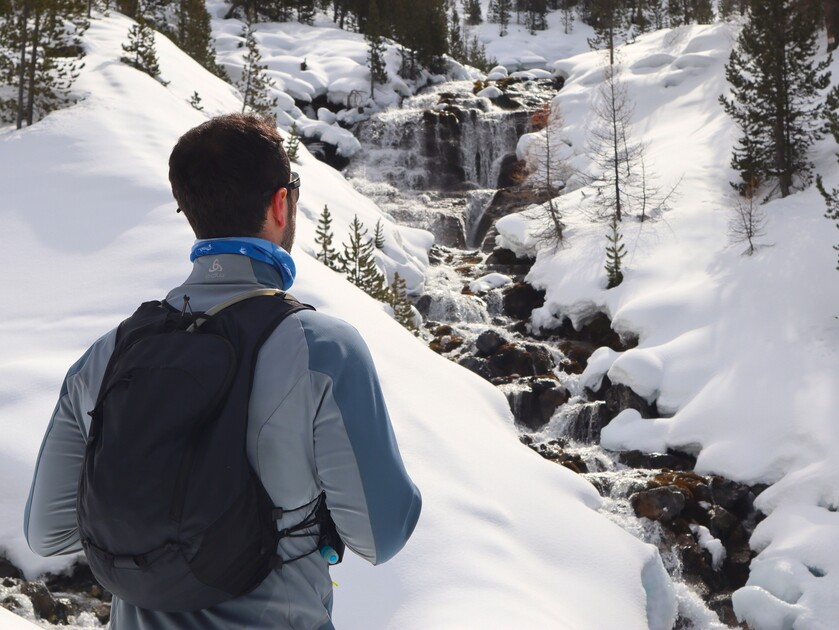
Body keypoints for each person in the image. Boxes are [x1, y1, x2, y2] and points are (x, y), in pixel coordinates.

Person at [23, 113, 422, 629]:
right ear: (281, 203)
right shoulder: (322, 348)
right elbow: (381, 535)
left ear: (191, 211)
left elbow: (47, 532)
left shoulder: (107, 354)